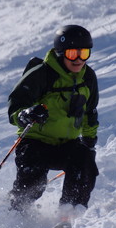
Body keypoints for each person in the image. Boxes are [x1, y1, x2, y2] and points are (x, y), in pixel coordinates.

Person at [7, 24, 99, 213]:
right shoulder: (42, 74)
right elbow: (15, 107)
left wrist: (89, 139)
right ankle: (15, 212)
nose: (79, 60)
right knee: (34, 180)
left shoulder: (87, 77)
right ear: (61, 52)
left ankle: (70, 211)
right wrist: (27, 114)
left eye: (84, 54)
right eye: (73, 54)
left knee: (84, 162)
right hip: (35, 142)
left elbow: (90, 111)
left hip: (67, 143)